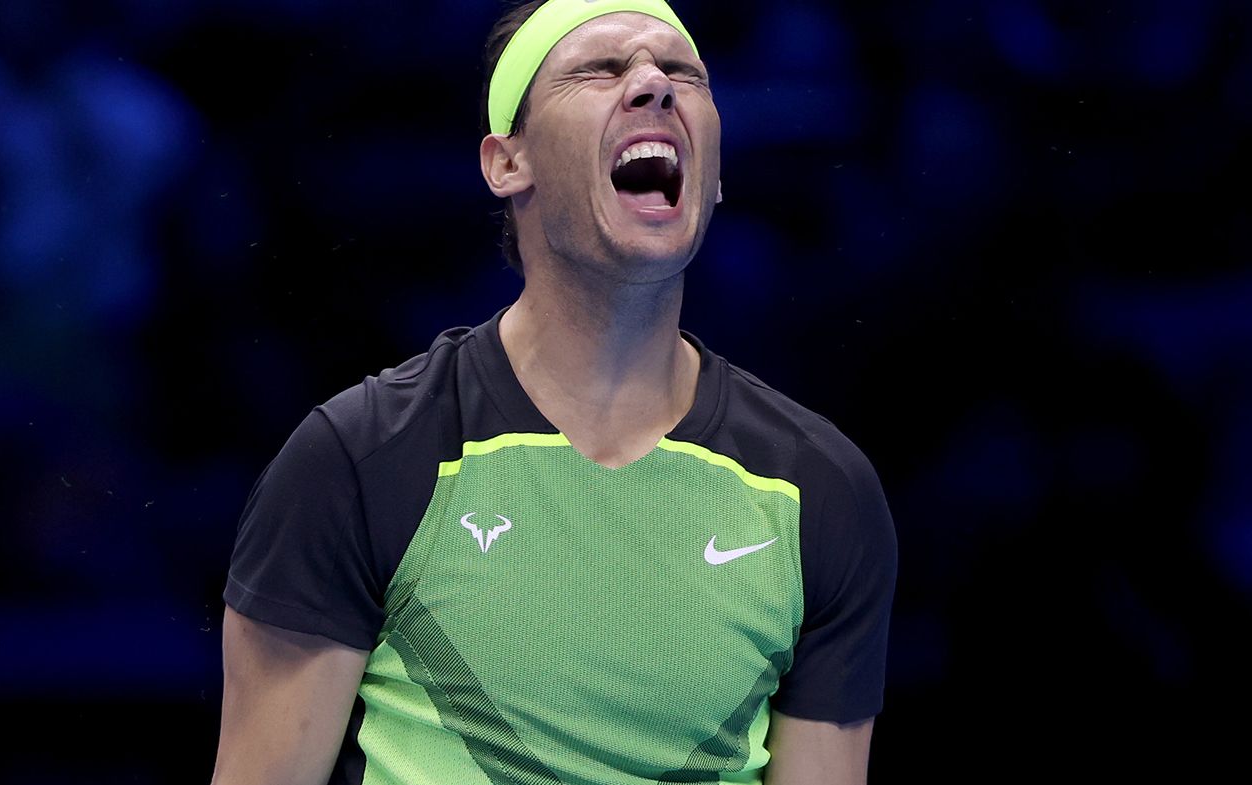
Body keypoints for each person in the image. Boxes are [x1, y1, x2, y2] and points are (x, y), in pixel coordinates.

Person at [210, 1, 897, 783]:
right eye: (601, 70)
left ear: (713, 180)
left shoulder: (820, 490)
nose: (654, 87)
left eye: (682, 73)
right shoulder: (361, 456)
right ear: (508, 161)